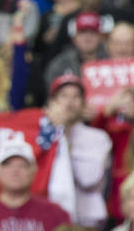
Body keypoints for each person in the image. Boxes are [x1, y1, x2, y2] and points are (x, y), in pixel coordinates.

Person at [0, 137, 70, 231]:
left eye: (22, 165)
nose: (15, 171)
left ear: (34, 171)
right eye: (8, 164)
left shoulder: (55, 214)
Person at [44, 73, 111, 228]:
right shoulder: (43, 136)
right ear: (52, 102)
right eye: (63, 96)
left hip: (87, 221)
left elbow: (88, 178)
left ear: (83, 103)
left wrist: (65, 137)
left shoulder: (98, 137)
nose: (69, 102)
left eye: (76, 97)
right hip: (53, 218)